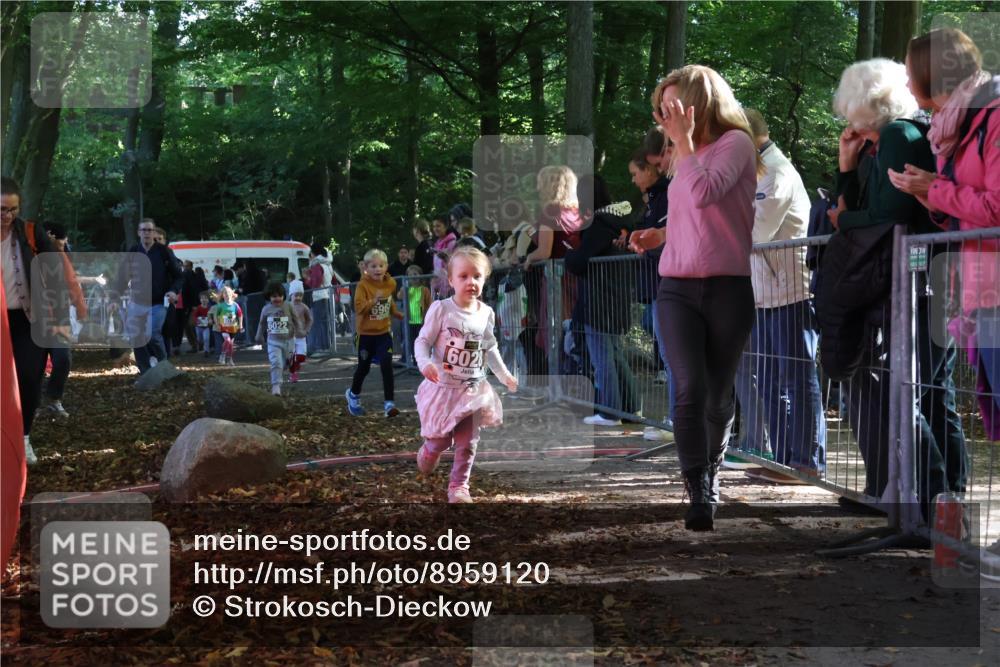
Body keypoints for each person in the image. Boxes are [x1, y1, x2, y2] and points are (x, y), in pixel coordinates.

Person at [828, 57, 966, 516]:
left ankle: (936, 502)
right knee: (928, 387)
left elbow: (889, 214)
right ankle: (934, 498)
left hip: (928, 280)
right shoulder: (886, 139)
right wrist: (846, 167)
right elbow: (856, 203)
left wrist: (844, 220)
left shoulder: (896, 135)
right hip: (926, 278)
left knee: (919, 388)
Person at [630, 65, 761, 531]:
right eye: (659, 109)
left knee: (717, 395)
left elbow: (707, 193)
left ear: (694, 104)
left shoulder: (736, 145)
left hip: (728, 288)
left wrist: (683, 144)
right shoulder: (682, 153)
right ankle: (699, 490)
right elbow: (692, 216)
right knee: (687, 389)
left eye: (667, 108)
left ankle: (714, 465)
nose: (661, 118)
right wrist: (659, 235)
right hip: (677, 289)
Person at [889, 28, 1000, 444]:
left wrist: (933, 189)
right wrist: (927, 196)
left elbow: (995, 208)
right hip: (978, 289)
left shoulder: (993, 117)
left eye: (909, 72)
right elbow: (960, 217)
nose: (904, 82)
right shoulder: (952, 127)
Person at [730, 109, 826, 484]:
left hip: (792, 291)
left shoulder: (778, 174)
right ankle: (784, 459)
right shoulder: (756, 173)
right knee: (770, 379)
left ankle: (807, 461)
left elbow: (755, 232)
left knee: (797, 378)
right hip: (764, 292)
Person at [414, 247, 518, 503]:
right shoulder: (442, 309)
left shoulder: (486, 313)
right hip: (443, 389)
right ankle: (429, 451)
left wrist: (504, 375)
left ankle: (459, 487)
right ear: (450, 280)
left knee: (468, 442)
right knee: (440, 442)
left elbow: (490, 347)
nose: (470, 282)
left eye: (477, 276)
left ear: (485, 279)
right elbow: (422, 341)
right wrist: (425, 363)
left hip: (472, 391)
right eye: (463, 276)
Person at [2, 177, 70, 465]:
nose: (6, 216)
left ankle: (23, 437)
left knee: (29, 378)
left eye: (12, 209)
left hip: (28, 319)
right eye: (1, 209)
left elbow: (56, 273)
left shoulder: (30, 232)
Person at [565, 174, 639, 426]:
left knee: (603, 358)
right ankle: (630, 408)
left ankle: (610, 412)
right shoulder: (619, 221)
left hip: (598, 302)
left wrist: (569, 254)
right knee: (615, 355)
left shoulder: (598, 224)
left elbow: (580, 261)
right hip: (617, 300)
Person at [629, 134, 676, 441]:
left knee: (674, 356)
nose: (633, 180)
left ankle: (678, 419)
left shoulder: (671, 191)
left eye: (636, 173)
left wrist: (652, 241)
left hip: (671, 284)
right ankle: (678, 417)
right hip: (662, 285)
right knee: (670, 354)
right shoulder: (660, 197)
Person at [114, 217, 183, 374]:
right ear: (139, 232)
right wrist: (114, 298)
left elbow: (179, 276)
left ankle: (164, 367)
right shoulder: (133, 252)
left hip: (158, 302)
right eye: (143, 230)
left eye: (149, 230)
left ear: (154, 232)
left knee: (152, 334)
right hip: (137, 302)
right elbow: (122, 278)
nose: (146, 233)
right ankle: (145, 372)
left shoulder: (164, 251)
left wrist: (173, 290)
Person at [345, 249, 404, 417]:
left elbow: (389, 300)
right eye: (373, 266)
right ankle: (353, 395)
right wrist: (373, 301)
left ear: (386, 267)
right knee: (363, 368)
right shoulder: (362, 286)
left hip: (384, 333)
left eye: (381, 265)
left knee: (387, 365)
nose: (377, 269)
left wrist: (396, 313)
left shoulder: (390, 283)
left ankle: (389, 404)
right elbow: (358, 308)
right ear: (366, 268)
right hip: (365, 335)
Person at [41, 223, 88, 419]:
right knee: (32, 367)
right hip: (33, 318)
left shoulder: (62, 257)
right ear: (50, 236)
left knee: (62, 359)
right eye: (62, 240)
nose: (65, 244)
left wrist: (81, 309)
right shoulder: (30, 254)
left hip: (59, 318)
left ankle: (53, 399)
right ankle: (31, 403)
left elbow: (72, 283)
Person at [256, 282, 298, 396]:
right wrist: (259, 335)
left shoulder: (288, 306)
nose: (277, 299)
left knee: (285, 363)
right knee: (276, 362)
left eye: (280, 296)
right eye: (274, 296)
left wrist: (300, 330)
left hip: (289, 341)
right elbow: (262, 323)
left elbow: (296, 319)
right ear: (269, 297)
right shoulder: (266, 309)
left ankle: (286, 365)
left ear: (284, 295)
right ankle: (276, 386)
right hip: (273, 342)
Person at [397, 264, 432, 365]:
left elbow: (429, 303)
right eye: (410, 275)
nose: (413, 277)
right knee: (408, 340)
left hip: (420, 320)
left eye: (415, 274)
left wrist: (428, 317)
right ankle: (406, 358)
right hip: (409, 320)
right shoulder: (407, 289)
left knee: (420, 341)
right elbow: (399, 296)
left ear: (420, 276)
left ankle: (419, 359)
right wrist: (403, 289)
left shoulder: (424, 289)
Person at [304, 243, 334, 354]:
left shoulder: (317, 265)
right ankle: (326, 346)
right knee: (325, 323)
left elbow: (315, 283)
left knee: (317, 323)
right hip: (327, 295)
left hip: (319, 296)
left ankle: (318, 347)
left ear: (313, 253)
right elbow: (332, 279)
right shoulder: (328, 264)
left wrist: (307, 278)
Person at [210, 285, 242, 365]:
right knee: (227, 340)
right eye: (225, 293)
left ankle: (230, 360)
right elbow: (216, 315)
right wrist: (217, 324)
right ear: (222, 295)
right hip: (224, 327)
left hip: (233, 327)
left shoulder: (235, 305)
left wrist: (241, 325)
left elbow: (240, 315)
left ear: (232, 294)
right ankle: (223, 355)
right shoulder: (221, 305)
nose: (227, 294)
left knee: (231, 344)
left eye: (228, 293)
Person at [288, 282, 313, 383]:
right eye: (296, 295)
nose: (298, 297)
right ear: (291, 295)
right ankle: (293, 374)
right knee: (292, 357)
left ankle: (296, 365)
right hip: (290, 337)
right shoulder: (287, 306)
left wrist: (306, 330)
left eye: (300, 295)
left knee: (301, 357)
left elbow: (310, 320)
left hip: (301, 335)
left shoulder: (304, 307)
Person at [430, 215, 458, 298]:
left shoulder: (452, 243)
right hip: (439, 286)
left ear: (446, 226)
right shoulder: (436, 244)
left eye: (438, 226)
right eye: (434, 226)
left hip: (450, 286)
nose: (435, 229)